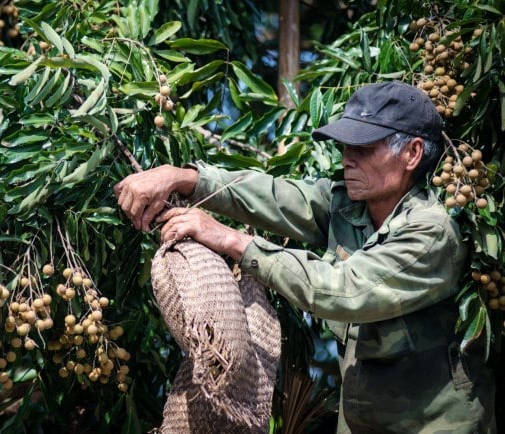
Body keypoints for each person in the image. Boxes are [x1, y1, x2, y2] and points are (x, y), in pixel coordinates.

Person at [113, 81, 496, 433]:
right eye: (345, 146)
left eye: (363, 148)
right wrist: (185, 178)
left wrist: (228, 239)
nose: (347, 159)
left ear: (411, 153)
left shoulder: (431, 232)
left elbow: (341, 290)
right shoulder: (351, 204)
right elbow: (276, 196)